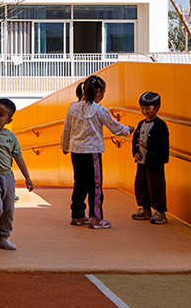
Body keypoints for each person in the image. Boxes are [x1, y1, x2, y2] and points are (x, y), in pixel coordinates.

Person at [60, 75, 131, 228]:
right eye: (103, 92)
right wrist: (128, 130)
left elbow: (67, 129)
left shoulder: (73, 107)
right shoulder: (99, 110)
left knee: (79, 184)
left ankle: (77, 215)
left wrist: (65, 146)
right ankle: (96, 218)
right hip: (92, 153)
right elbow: (115, 127)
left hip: (76, 152)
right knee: (95, 186)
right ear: (98, 91)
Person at [0, 96, 35, 251]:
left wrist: (27, 177)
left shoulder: (11, 137)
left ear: (8, 121)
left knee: (9, 209)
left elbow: (18, 157)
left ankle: (4, 237)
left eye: (1, 114)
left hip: (8, 178)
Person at [131, 90, 171, 224]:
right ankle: (145, 208)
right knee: (141, 184)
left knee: (156, 185)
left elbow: (163, 144)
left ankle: (160, 212)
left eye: (148, 108)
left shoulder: (161, 125)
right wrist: (135, 152)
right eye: (142, 108)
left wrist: (150, 145)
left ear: (157, 107)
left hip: (155, 162)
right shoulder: (141, 124)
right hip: (142, 161)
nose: (145, 111)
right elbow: (135, 140)